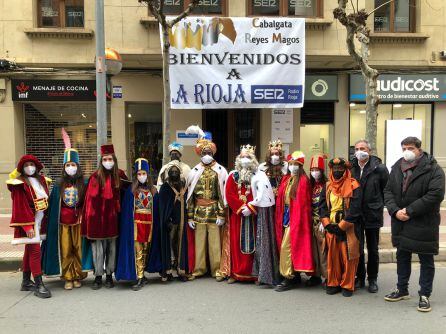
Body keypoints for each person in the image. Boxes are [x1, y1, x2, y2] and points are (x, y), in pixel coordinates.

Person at [384, 137, 445, 313]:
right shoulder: (397, 166)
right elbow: (388, 191)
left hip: (423, 222)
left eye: (410, 148)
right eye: (404, 148)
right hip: (400, 221)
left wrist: (409, 211)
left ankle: (424, 295)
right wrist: (395, 211)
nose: (407, 151)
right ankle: (402, 289)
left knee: (426, 258)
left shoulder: (433, 169)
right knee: (402, 256)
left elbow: (435, 195)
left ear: (419, 149)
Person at [42, 130, 92, 289]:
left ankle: (78, 275)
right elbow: (53, 206)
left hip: (78, 222)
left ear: (78, 166)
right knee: (65, 250)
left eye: (73, 165)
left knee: (78, 249)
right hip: (63, 223)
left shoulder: (84, 182)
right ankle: (68, 277)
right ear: (64, 167)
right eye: (68, 165)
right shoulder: (58, 184)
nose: (71, 167)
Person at [82, 144, 128, 290]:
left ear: (114, 159)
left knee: (111, 249)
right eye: (105, 159)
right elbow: (89, 201)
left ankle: (109, 276)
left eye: (110, 159)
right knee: (98, 250)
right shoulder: (95, 177)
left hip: (113, 220)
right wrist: (88, 222)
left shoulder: (120, 175)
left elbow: (128, 194)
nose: (108, 161)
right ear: (101, 161)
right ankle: (97, 276)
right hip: (96, 221)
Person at [185, 125, 228, 281]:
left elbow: (223, 194)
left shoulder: (221, 170)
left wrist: (222, 214)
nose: (207, 155)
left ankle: (217, 269)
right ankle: (199, 269)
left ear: (213, 153)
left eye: (209, 153)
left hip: (215, 211)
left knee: (215, 244)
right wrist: (189, 216)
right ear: (200, 154)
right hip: (198, 212)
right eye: (204, 153)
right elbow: (190, 195)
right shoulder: (194, 171)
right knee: (199, 243)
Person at [6, 155, 52, 298]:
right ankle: (39, 284)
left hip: (40, 219)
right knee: (35, 251)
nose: (29, 167)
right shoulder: (19, 183)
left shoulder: (42, 180)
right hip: (29, 222)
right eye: (26, 165)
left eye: (32, 164)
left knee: (29, 248)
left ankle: (26, 281)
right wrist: (27, 227)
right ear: (21, 168)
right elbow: (20, 207)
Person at [319, 157, 362, 297]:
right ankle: (333, 282)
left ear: (345, 170)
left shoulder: (354, 185)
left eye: (340, 169)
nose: (337, 171)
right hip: (331, 226)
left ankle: (348, 284)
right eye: (335, 169)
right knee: (332, 256)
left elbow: (356, 208)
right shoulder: (327, 186)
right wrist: (327, 224)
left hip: (348, 227)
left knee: (349, 256)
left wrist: (342, 226)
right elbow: (322, 207)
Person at [116, 158, 160, 290]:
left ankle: (143, 275)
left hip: (149, 227)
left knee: (146, 252)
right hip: (135, 226)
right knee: (138, 252)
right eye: (139, 174)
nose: (141, 176)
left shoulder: (153, 191)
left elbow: (156, 210)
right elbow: (126, 213)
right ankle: (140, 277)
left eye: (144, 173)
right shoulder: (131, 191)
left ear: (148, 174)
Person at [351, 139, 389, 293]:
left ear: (370, 151)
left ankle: (372, 278)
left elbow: (386, 190)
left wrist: (379, 205)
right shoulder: (351, 168)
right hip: (355, 215)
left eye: (363, 148)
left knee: (373, 249)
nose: (360, 151)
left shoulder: (379, 168)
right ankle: (360, 277)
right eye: (358, 148)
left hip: (373, 214)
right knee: (357, 248)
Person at [274, 151, 314, 292]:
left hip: (296, 218)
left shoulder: (303, 181)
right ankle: (293, 274)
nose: (292, 167)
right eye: (291, 164)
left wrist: (296, 219)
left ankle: (288, 277)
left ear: (300, 165)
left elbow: (303, 205)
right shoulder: (287, 179)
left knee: (287, 246)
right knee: (286, 246)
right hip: (286, 215)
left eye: (295, 164)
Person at [225, 145, 260, 284]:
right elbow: (229, 194)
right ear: (238, 159)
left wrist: (251, 207)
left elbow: (260, 193)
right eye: (243, 157)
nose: (245, 160)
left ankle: (254, 274)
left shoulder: (258, 176)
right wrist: (240, 208)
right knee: (235, 243)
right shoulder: (233, 176)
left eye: (248, 157)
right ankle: (236, 273)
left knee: (255, 245)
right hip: (237, 216)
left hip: (253, 216)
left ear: (253, 159)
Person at [159, 161, 190, 282]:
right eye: (172, 172)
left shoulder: (183, 187)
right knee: (169, 247)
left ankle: (180, 270)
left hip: (181, 221)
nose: (174, 173)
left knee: (179, 246)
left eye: (176, 172)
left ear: (179, 173)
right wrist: (167, 220)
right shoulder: (165, 187)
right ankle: (168, 271)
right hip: (170, 222)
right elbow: (163, 206)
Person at [307, 153, 328, 287]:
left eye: (317, 170)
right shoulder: (309, 185)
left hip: (322, 222)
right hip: (310, 221)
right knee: (313, 250)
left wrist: (324, 220)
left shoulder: (327, 184)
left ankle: (328, 275)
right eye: (313, 170)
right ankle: (315, 276)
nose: (315, 173)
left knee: (324, 250)